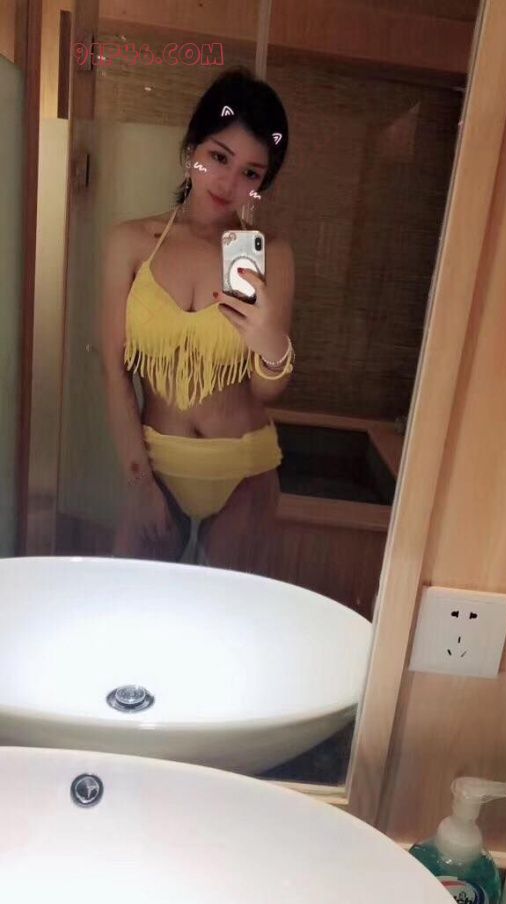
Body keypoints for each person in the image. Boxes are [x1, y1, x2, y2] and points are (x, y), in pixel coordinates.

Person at [100, 66, 294, 563]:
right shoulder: (130, 243)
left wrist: (271, 343)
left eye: (250, 173)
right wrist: (139, 482)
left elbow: (266, 390)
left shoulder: (271, 255)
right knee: (134, 601)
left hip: (244, 468)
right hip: (157, 464)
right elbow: (113, 369)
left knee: (225, 610)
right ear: (191, 150)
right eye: (219, 157)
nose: (229, 182)